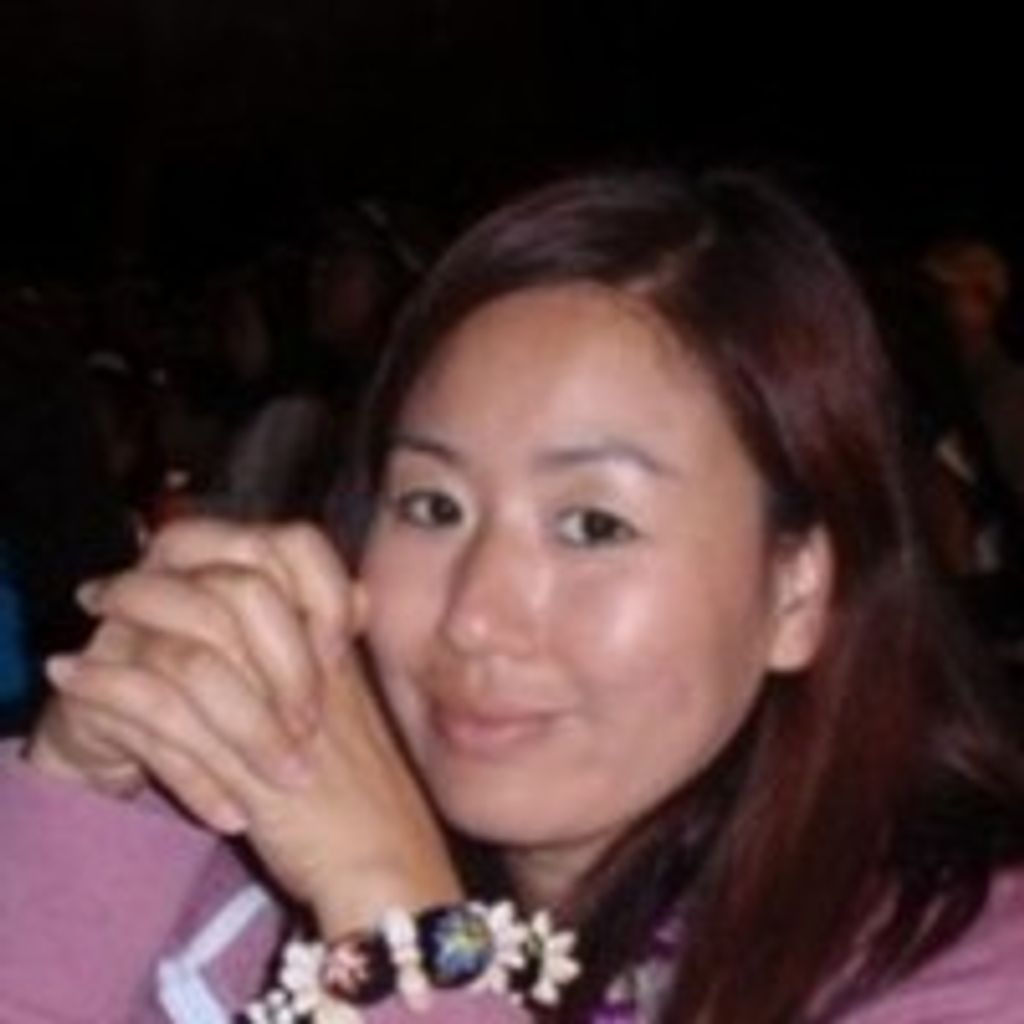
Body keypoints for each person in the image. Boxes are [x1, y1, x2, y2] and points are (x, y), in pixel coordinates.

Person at [2, 170, 1023, 1024]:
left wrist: (398, 924)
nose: (474, 616)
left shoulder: (968, 967)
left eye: (594, 526)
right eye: (433, 506)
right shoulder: (232, 886)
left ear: (796, 593)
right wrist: (79, 803)